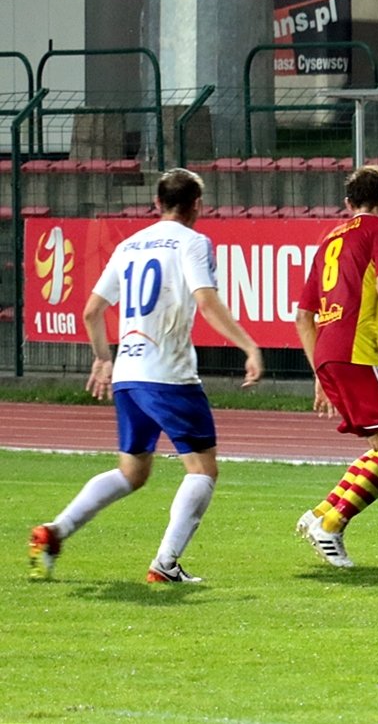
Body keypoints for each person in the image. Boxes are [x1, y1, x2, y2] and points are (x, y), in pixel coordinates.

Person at [27, 168, 264, 583]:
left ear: (157, 203)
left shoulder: (129, 245)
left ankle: (55, 531)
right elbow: (206, 301)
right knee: (203, 470)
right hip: (168, 372)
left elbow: (92, 311)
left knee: (132, 472)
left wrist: (103, 359)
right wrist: (249, 345)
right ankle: (165, 564)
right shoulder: (193, 242)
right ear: (197, 205)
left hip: (128, 373)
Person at [295, 165, 378, 568]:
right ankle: (332, 524)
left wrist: (318, 370)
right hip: (359, 350)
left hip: (329, 352)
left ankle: (321, 513)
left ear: (348, 203)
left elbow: (303, 316)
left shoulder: (329, 240)